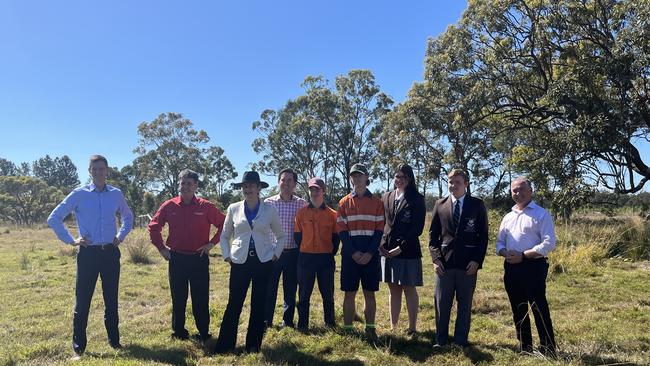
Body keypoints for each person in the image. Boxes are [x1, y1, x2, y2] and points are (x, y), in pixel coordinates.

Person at [47, 154, 133, 359]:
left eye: (101, 169)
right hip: (88, 254)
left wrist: (120, 236)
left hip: (110, 253)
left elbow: (128, 217)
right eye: (94, 169)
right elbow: (54, 218)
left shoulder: (116, 194)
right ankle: (79, 346)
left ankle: (115, 341)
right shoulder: (79, 194)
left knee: (111, 299)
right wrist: (71, 240)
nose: (98, 172)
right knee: (83, 301)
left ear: (107, 170)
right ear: (89, 171)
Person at [147, 169, 225, 342]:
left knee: (200, 297)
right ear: (179, 184)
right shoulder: (169, 205)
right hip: (176, 258)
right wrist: (162, 249)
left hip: (199, 258)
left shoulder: (206, 206)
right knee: (178, 297)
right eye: (183, 183)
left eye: (189, 183)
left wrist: (212, 243)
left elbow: (224, 224)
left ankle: (203, 333)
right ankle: (179, 332)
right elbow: (153, 226)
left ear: (196, 185)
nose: (186, 186)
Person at [215, 171, 286, 353]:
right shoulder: (233, 208)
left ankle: (253, 346)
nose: (248, 189)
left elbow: (281, 236)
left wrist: (275, 254)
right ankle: (225, 345)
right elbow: (224, 236)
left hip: (263, 261)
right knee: (234, 303)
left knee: (259, 304)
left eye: (252, 186)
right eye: (245, 186)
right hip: (239, 262)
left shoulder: (269, 209)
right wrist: (227, 255)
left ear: (259, 188)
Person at [496, 177, 557, 355]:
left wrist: (523, 255)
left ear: (531, 191)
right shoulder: (508, 217)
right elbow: (499, 243)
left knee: (539, 308)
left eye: (522, 189)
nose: (518, 193)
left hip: (534, 266)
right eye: (514, 190)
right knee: (518, 308)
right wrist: (504, 253)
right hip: (511, 267)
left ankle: (548, 348)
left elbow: (549, 243)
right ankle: (525, 347)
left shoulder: (541, 214)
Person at [428, 168, 488, 347]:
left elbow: (483, 237)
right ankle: (441, 340)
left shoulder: (477, 205)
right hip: (444, 264)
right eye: (450, 182)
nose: (453, 185)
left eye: (457, 182)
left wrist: (477, 261)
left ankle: (460, 341)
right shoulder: (440, 204)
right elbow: (433, 237)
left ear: (466, 184)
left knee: (464, 305)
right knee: (441, 304)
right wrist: (436, 259)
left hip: (468, 264)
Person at [337, 163, 385, 339]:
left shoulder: (377, 203)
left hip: (370, 256)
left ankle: (370, 328)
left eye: (360, 175)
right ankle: (348, 329)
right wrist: (354, 253)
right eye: (353, 176)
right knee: (349, 293)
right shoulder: (343, 202)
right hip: (351, 256)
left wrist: (370, 253)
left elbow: (379, 230)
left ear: (366, 178)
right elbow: (342, 231)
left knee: (369, 293)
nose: (356, 179)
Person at [379, 163, 425, 336]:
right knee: (393, 288)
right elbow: (383, 223)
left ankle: (412, 327)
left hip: (408, 250)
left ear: (410, 179)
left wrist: (401, 247)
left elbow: (417, 228)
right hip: (387, 250)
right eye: (397, 177)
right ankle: (394, 327)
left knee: (408, 288)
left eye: (403, 177)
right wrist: (381, 243)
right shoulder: (386, 197)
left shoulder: (417, 199)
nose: (400, 180)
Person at [264, 168, 308, 328]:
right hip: (273, 253)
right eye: (283, 180)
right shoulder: (268, 203)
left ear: (295, 184)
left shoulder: (302, 204)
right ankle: (266, 321)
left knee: (290, 289)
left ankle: (287, 321)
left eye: (290, 180)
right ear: (278, 182)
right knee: (269, 289)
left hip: (293, 252)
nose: (286, 183)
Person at [294, 177, 339, 330]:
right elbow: (297, 237)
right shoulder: (301, 213)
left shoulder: (333, 215)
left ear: (323, 191)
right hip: (305, 258)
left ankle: (330, 323)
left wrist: (327, 253)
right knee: (304, 294)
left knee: (327, 293)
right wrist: (307, 249)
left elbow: (336, 239)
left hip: (325, 259)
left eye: (317, 189)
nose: (314, 192)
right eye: (311, 189)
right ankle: (302, 324)